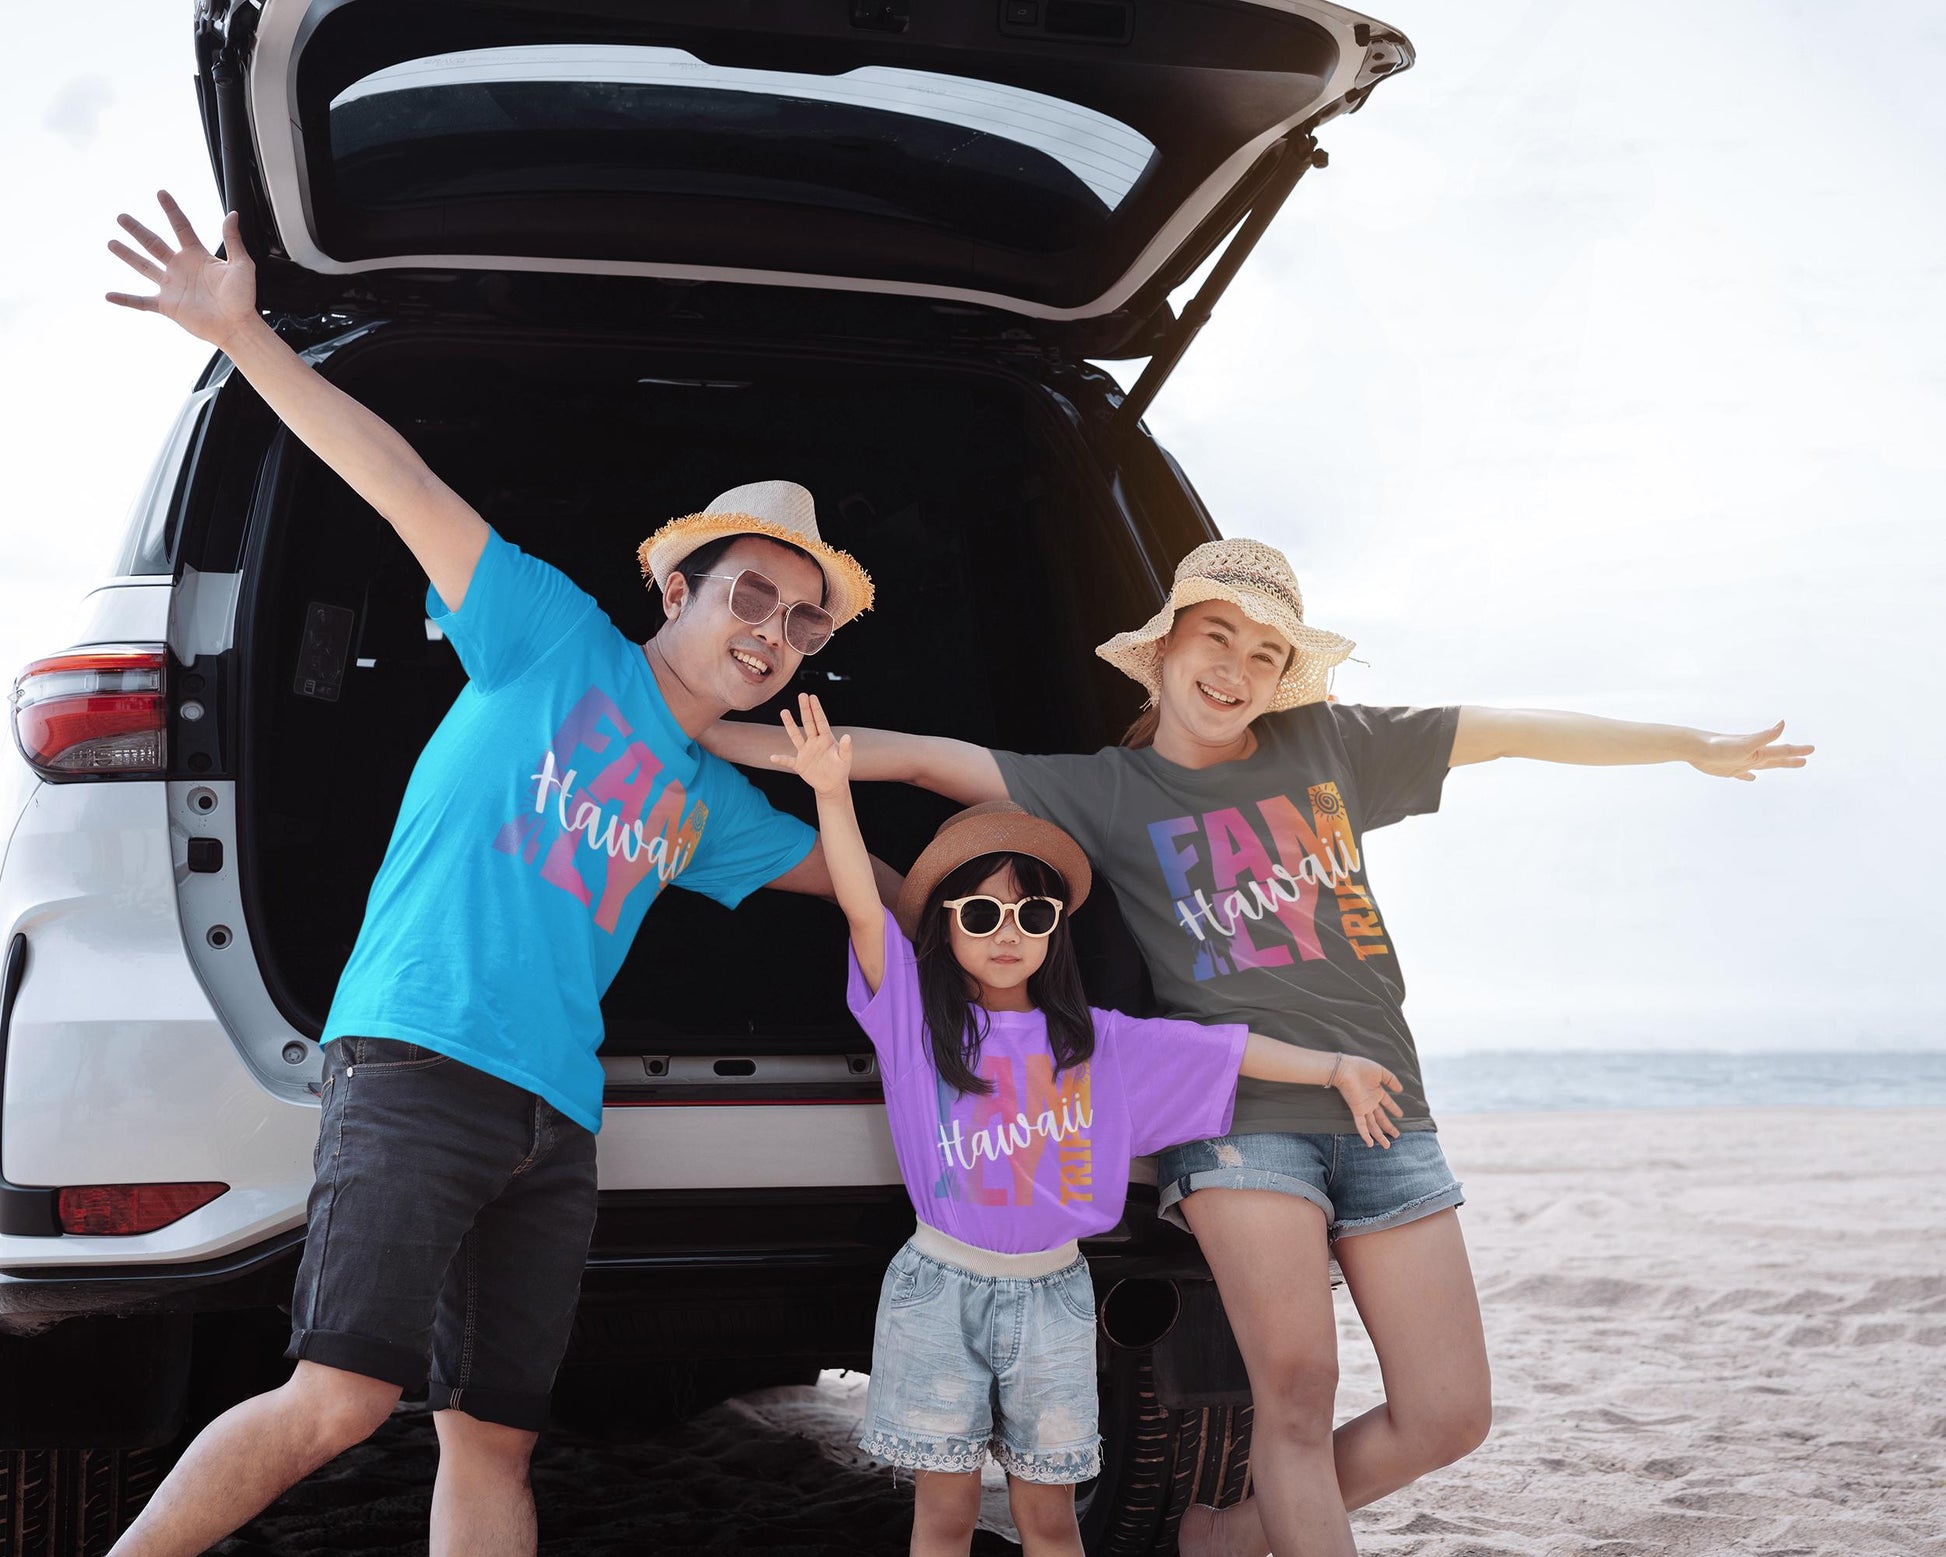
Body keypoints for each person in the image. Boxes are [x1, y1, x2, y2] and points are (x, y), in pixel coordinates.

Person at [704, 539, 1812, 1557]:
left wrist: (1687, 746)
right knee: (1291, 1393)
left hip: (1383, 1108)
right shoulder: (1107, 788)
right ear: (1166, 649)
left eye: (1265, 650)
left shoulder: (1334, 746)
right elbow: (909, 760)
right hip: (1239, 1124)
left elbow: (1509, 729)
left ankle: (1229, 1535)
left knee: (1447, 1416)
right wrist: (694, 727)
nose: (1235, 666)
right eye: (1216, 635)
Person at [102, 193, 895, 1557]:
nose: (771, 629)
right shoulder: (549, 637)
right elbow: (395, 477)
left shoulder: (710, 804)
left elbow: (856, 882)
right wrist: (245, 338)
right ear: (678, 595)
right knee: (338, 1401)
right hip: (419, 1061)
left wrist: (865, 804)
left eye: (799, 616)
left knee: (494, 1439)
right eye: (745, 595)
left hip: (557, 1122)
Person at [772, 692, 1405, 1557]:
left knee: (1050, 1521)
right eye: (982, 912)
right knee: (944, 1517)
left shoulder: (1098, 1043)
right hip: (938, 1290)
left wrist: (1333, 1066)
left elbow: (1224, 1047)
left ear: (1055, 931)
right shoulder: (916, 1020)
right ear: (947, 923)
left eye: (1031, 914)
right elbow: (857, 905)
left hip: (1056, 1297)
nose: (1008, 932)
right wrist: (831, 793)